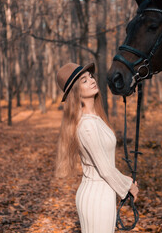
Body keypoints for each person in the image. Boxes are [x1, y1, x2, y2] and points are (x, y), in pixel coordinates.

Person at [55, 62, 139, 232]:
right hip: (97, 198)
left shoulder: (96, 118)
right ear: (76, 93)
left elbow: (105, 163)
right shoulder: (87, 125)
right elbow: (105, 169)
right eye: (84, 81)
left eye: (90, 77)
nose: (92, 80)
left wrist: (125, 180)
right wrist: (128, 186)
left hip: (104, 193)